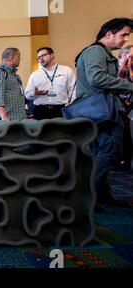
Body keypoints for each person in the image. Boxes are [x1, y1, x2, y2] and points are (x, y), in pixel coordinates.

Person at [75, 17, 133, 210]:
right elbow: (97, 78)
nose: (125, 39)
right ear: (109, 34)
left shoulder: (99, 52)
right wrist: (128, 86)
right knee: (109, 153)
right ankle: (88, 196)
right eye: (123, 34)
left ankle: (101, 195)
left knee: (103, 153)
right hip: (100, 110)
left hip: (102, 108)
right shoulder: (95, 52)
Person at [25, 47, 76, 120]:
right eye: (39, 57)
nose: (41, 59)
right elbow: (27, 94)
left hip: (59, 110)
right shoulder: (35, 75)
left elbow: (73, 91)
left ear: (52, 55)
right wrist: (35, 93)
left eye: (43, 55)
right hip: (40, 111)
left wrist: (71, 107)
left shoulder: (66, 71)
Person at [0, 48, 26, 122]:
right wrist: (4, 117)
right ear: (12, 58)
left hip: (17, 119)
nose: (20, 59)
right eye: (18, 56)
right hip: (6, 121)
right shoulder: (0, 73)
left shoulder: (15, 76)